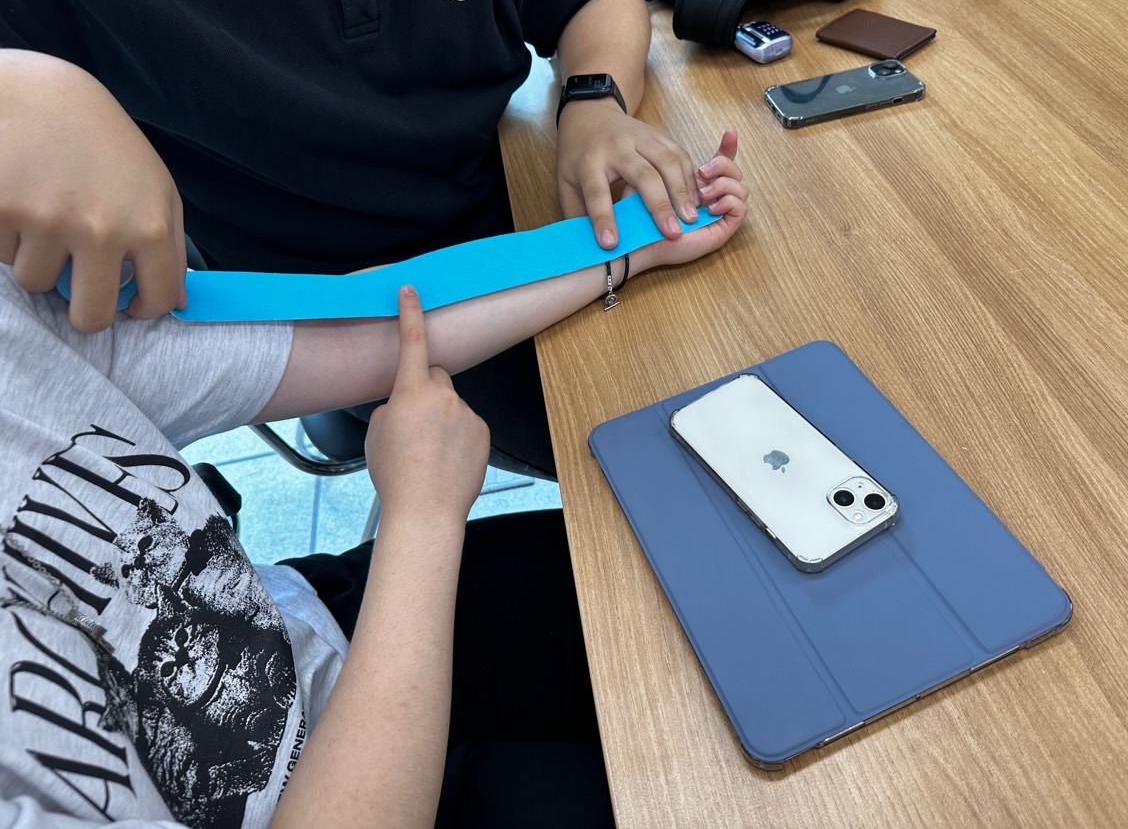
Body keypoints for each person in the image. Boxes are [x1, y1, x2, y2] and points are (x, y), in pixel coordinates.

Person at [0, 137, 748, 829]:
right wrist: (421, 519)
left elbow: (366, 333)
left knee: (687, 569)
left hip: (319, 632)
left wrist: (634, 244)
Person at [0, 0, 713, 479]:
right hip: (324, 311)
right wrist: (25, 88)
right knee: (665, 451)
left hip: (515, 210)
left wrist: (594, 100)